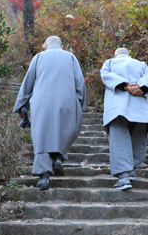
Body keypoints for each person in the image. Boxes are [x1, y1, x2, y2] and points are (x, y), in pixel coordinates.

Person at [13, 36, 86, 190]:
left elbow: (28, 83)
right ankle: (58, 158)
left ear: (45, 46)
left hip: (41, 101)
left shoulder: (38, 57)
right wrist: (78, 103)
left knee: (42, 135)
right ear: (62, 46)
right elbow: (80, 84)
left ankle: (44, 176)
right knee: (63, 128)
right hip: (66, 99)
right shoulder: (71, 57)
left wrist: (21, 104)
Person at [100, 48, 148, 190]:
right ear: (129, 55)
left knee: (119, 140)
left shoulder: (110, 62)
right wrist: (139, 88)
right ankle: (131, 171)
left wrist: (124, 85)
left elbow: (105, 76)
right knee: (138, 138)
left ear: (116, 55)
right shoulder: (141, 64)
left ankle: (124, 177)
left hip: (117, 107)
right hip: (140, 107)